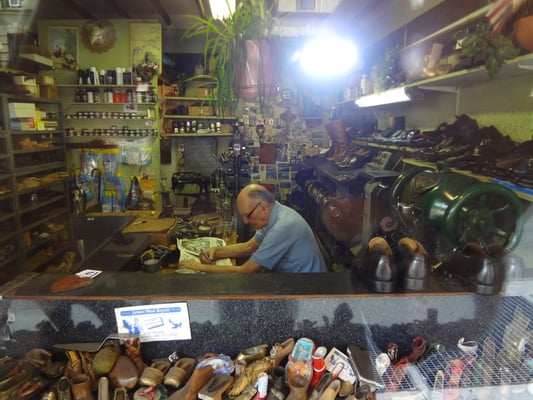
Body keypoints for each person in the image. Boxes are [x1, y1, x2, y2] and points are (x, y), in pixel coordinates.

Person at [178, 184, 328, 273]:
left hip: (309, 288)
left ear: (262, 206)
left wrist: (200, 268)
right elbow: (249, 247)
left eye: (248, 215)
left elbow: (246, 271)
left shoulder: (283, 226)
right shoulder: (275, 214)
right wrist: (216, 252)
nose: (246, 221)